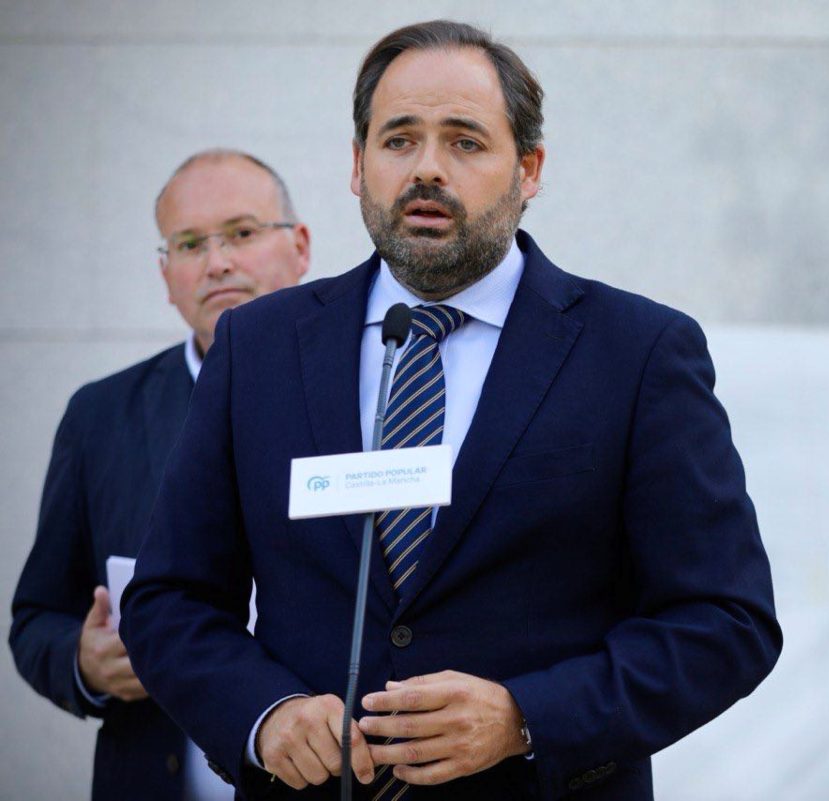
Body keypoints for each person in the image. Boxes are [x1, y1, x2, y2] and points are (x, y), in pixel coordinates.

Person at [120, 19, 781, 801]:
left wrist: (524, 716)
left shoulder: (636, 352)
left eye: (465, 141)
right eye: (399, 140)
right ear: (358, 165)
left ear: (529, 169)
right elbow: (170, 600)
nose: (427, 168)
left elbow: (724, 621)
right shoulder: (257, 349)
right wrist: (265, 715)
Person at [9, 149, 311, 801]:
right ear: (166, 273)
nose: (218, 261)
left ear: (301, 248)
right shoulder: (102, 414)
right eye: (190, 243)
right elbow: (37, 616)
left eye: (242, 232)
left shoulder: (376, 390)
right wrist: (85, 662)